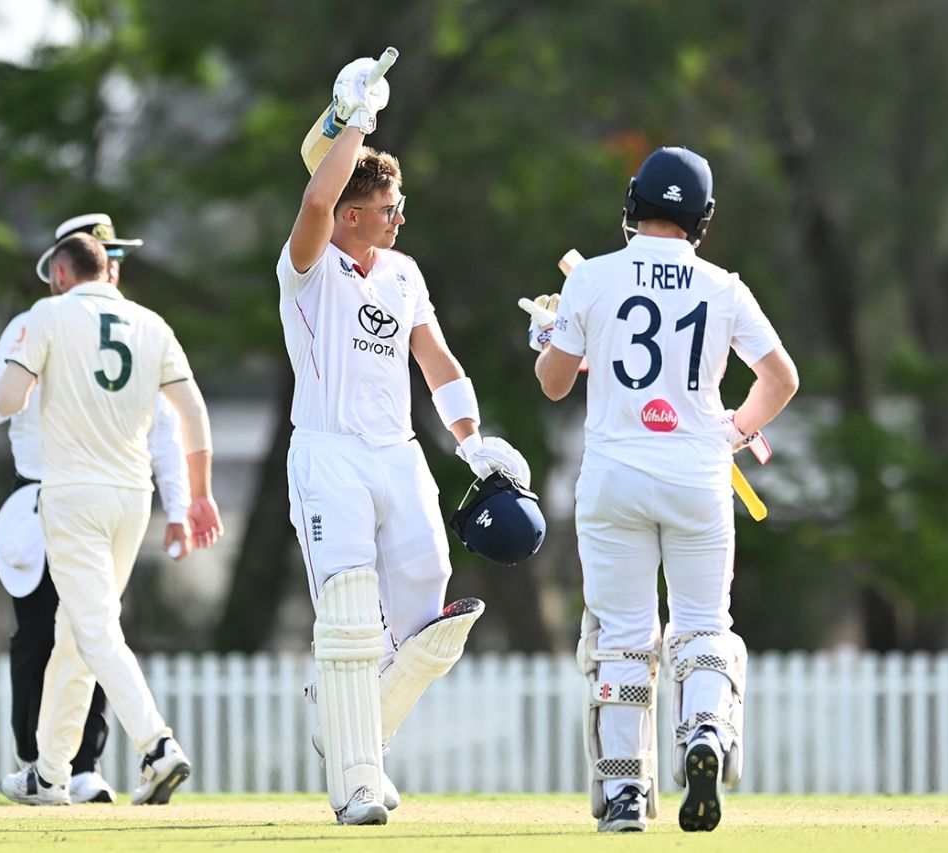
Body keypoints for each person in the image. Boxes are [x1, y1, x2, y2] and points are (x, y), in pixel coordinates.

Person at [278, 56, 533, 825]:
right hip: (328, 454)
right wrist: (355, 120)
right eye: (388, 207)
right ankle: (358, 781)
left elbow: (437, 360)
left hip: (398, 453)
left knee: (431, 609)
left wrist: (471, 439)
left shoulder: (404, 273)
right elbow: (316, 196)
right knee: (351, 616)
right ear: (352, 214)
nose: (398, 217)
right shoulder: (308, 266)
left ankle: (349, 727)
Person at [527, 146, 799, 833]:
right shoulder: (724, 287)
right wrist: (732, 432)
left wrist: (549, 335)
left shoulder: (593, 277)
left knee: (622, 637)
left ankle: (625, 793)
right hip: (696, 475)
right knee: (703, 624)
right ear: (702, 218)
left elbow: (554, 382)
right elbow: (781, 380)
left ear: (633, 202)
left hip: (614, 477)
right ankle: (704, 729)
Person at [0, 213, 197, 804]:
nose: (114, 268)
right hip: (68, 496)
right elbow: (183, 418)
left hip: (78, 495)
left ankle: (148, 749)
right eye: (108, 257)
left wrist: (184, 502)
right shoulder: (82, 321)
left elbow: (164, 428)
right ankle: (51, 769)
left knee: (91, 628)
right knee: (59, 633)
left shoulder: (80, 319)